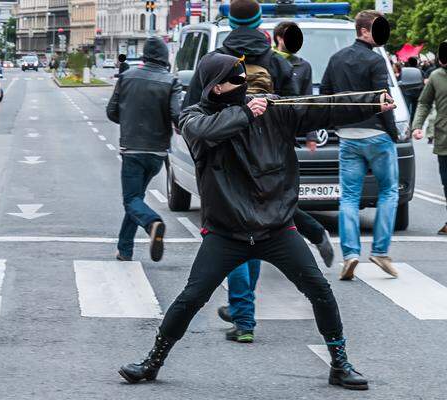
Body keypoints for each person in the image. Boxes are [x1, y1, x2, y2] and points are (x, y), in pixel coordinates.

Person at [118, 52, 396, 390]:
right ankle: (152, 362)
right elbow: (205, 132)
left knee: (320, 290)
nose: (243, 84)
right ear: (215, 87)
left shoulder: (271, 109)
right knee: (191, 298)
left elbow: (321, 107)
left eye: (244, 77)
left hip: (275, 227)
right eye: (235, 79)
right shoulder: (195, 116)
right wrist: (246, 113)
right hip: (226, 232)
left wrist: (371, 102)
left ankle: (340, 364)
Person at [184, 12, 334, 343]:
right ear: (258, 20)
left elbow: (194, 103)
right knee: (262, 229)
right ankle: (245, 306)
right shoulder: (277, 61)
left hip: (228, 154)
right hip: (269, 157)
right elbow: (298, 104)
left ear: (230, 20)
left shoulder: (217, 59)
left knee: (238, 234)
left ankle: (243, 315)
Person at [321, 10, 403, 279]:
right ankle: (380, 251)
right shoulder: (375, 61)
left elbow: (325, 97)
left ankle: (350, 255)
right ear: (365, 31)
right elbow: (383, 102)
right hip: (376, 134)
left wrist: (335, 125)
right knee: (389, 192)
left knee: (348, 197)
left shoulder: (336, 59)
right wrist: (393, 134)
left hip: (348, 137)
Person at [106, 37, 182, 262]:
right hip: (157, 152)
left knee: (131, 200)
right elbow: (177, 116)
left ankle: (152, 223)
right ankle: (124, 249)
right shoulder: (171, 81)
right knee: (136, 198)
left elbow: (111, 112)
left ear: (145, 55)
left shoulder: (126, 77)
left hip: (132, 149)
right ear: (165, 57)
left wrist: (129, 120)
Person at [182, 0, 298, 110]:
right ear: (259, 21)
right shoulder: (279, 63)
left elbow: (188, 112)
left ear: (231, 23)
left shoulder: (211, 62)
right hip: (269, 130)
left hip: (222, 130)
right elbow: (294, 111)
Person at [412, 41, 447, 234]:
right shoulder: (436, 77)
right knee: (446, 182)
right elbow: (424, 103)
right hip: (444, 139)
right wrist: (417, 126)